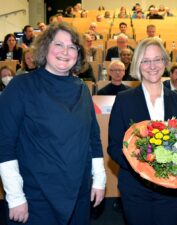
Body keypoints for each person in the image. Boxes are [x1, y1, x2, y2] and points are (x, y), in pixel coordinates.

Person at [0, 22, 106, 225]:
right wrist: (15, 196)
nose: (65, 52)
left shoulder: (82, 89)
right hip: (35, 195)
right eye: (59, 44)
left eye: (72, 47)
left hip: (78, 191)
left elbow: (93, 138)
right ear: (45, 47)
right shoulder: (21, 86)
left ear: (78, 53)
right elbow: (5, 145)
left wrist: (99, 180)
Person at [108, 38, 177, 225]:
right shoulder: (124, 100)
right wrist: (140, 166)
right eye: (145, 60)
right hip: (135, 187)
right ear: (138, 64)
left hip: (170, 189)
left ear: (165, 62)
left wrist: (176, 167)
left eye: (157, 59)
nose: (152, 66)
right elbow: (114, 146)